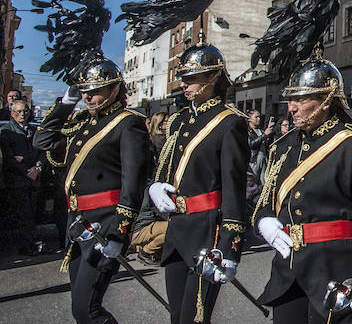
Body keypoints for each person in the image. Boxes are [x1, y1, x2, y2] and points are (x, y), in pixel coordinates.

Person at [253, 57, 352, 323]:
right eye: (291, 100)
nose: (292, 108)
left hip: (336, 270)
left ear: (327, 101)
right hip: (288, 269)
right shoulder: (283, 147)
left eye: (302, 100)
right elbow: (267, 201)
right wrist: (265, 221)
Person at [33, 57, 150, 324]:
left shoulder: (127, 123)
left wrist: (120, 233)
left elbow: (132, 181)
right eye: (84, 90)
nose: (88, 96)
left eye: (95, 90)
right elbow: (43, 140)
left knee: (87, 309)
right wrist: (66, 102)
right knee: (81, 306)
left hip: (105, 222)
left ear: (113, 89)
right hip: (77, 221)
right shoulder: (83, 122)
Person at [150, 34, 250, 324]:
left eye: (192, 77)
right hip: (178, 229)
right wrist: (155, 188)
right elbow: (168, 169)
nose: (184, 83)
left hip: (209, 231)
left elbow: (234, 188)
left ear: (211, 79)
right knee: (176, 316)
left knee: (193, 319)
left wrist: (230, 247)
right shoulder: (179, 121)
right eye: (184, 76)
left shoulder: (230, 122)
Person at [0, 99, 42, 254]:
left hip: (34, 181)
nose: (22, 114)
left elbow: (41, 152)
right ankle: (25, 247)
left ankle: (33, 244)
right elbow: (8, 158)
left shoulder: (33, 130)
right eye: (18, 111)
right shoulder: (6, 131)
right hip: (17, 181)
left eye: (25, 111)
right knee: (21, 216)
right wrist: (26, 170)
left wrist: (37, 168)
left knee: (33, 215)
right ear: (12, 113)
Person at [247, 110, 273, 183]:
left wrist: (269, 134)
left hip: (264, 159)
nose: (259, 119)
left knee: (263, 182)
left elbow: (267, 144)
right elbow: (251, 144)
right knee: (253, 182)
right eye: (256, 117)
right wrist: (264, 135)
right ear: (249, 119)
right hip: (254, 161)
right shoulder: (248, 131)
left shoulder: (260, 131)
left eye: (259, 117)